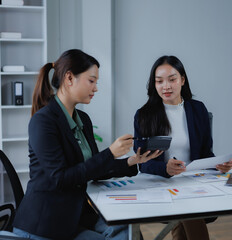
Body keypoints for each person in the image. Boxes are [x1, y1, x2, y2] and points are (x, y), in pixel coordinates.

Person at [12, 49, 161, 240]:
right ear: (69, 78)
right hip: (44, 225)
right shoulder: (43, 122)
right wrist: (110, 153)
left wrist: (131, 161)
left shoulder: (83, 119)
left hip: (73, 215)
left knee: (128, 230)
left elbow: (94, 168)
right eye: (91, 81)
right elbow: (60, 178)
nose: (96, 88)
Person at [134, 55, 232, 240]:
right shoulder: (145, 115)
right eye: (159, 81)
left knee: (186, 212)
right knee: (189, 209)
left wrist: (218, 164)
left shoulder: (197, 110)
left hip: (193, 182)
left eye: (172, 79)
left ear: (182, 80)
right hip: (161, 183)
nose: (166, 86)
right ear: (153, 84)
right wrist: (165, 168)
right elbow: (142, 163)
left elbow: (206, 153)